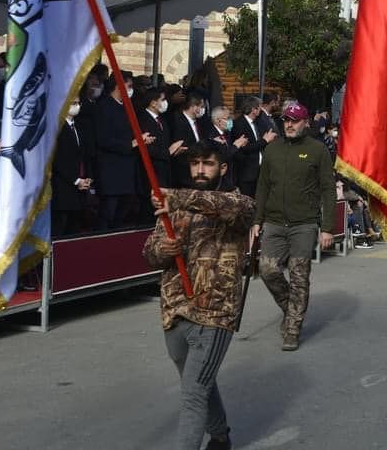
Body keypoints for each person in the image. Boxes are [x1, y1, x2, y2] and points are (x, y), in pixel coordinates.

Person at [142, 141, 255, 450]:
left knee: (193, 392)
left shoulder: (236, 203)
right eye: (195, 164)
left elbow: (231, 208)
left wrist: (175, 197)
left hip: (215, 312)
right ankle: (220, 437)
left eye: (207, 163)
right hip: (175, 309)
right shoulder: (172, 208)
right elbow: (150, 252)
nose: (200, 170)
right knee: (199, 383)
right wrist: (163, 250)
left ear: (223, 168)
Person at [252, 103, 336, 351]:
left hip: (304, 224)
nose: (289, 124)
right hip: (274, 222)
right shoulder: (272, 149)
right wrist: (257, 220)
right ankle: (292, 309)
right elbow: (263, 186)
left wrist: (328, 227)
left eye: (294, 120)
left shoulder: (317, 150)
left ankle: (292, 329)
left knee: (299, 276)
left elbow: (328, 190)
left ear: (305, 122)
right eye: (285, 120)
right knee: (267, 270)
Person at [94, 71, 153, 229]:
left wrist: (141, 138)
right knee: (108, 214)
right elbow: (103, 139)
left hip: (127, 171)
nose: (131, 90)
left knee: (122, 214)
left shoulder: (128, 107)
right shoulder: (104, 106)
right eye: (129, 86)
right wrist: (131, 144)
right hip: (110, 171)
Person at [50, 98, 93, 237]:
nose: (77, 106)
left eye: (79, 103)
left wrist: (87, 177)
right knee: (60, 228)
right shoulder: (56, 127)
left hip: (80, 188)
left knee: (74, 229)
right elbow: (57, 160)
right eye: (73, 103)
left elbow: (84, 154)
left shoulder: (79, 126)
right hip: (63, 187)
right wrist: (75, 180)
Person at [231, 96, 277, 197]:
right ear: (253, 109)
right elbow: (245, 148)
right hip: (247, 173)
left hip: (259, 171)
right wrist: (265, 140)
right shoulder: (239, 124)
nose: (261, 110)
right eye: (259, 108)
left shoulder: (257, 123)